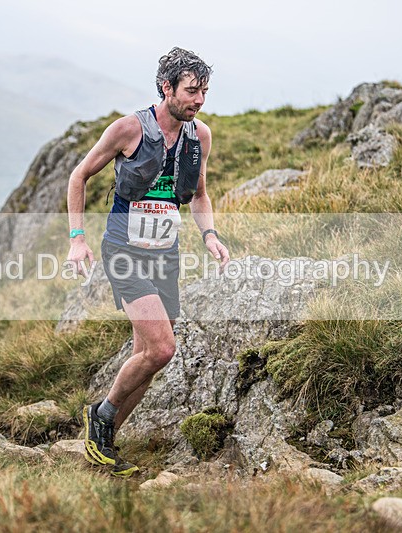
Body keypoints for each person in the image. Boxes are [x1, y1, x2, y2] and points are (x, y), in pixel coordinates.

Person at [66, 47, 230, 477]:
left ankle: (101, 449)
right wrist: (77, 239)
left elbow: (199, 195)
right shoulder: (128, 129)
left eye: (205, 91)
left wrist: (209, 234)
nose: (199, 100)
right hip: (124, 251)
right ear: (166, 87)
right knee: (163, 348)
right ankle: (100, 416)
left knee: (147, 356)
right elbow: (79, 176)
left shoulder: (200, 137)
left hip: (166, 256)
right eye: (191, 91)